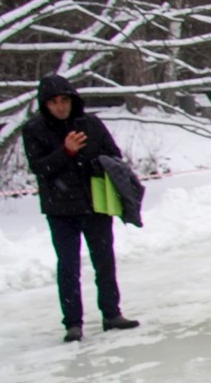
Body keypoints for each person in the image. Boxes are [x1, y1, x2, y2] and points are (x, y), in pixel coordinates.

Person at [21, 73, 140, 342]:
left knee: (104, 261)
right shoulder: (34, 130)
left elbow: (114, 155)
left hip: (95, 204)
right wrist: (66, 151)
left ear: (73, 100)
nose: (60, 107)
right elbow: (40, 168)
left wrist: (96, 162)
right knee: (68, 266)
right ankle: (73, 323)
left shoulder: (91, 124)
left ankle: (112, 313)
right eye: (54, 102)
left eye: (64, 100)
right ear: (45, 105)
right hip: (60, 210)